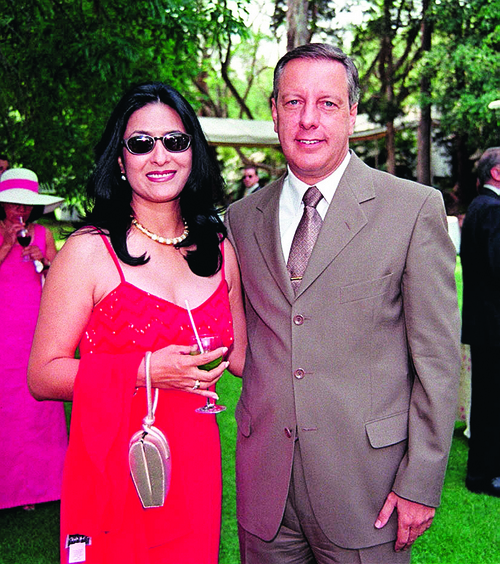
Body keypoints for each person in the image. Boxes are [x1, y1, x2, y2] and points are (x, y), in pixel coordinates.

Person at [225, 43, 461, 564]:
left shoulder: (412, 209)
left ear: (352, 113)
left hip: (367, 487)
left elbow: (438, 362)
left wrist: (421, 480)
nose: (308, 119)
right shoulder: (241, 219)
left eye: (327, 103)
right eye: (293, 102)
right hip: (266, 487)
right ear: (274, 111)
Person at [28, 82, 246, 563]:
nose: (160, 156)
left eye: (175, 140)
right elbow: (42, 375)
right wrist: (146, 370)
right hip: (115, 469)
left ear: (193, 151)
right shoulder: (88, 251)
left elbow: (246, 359)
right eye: (142, 143)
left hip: (195, 469)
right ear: (120, 159)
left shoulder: (219, 249)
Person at [0, 168, 66, 512]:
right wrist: (7, 245)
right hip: (3, 331)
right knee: (6, 404)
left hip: (34, 328)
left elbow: (60, 281)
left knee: (35, 404)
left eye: (25, 205)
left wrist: (45, 261)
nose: (20, 211)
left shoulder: (43, 234)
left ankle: (38, 487)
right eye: (14, 205)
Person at [460, 146, 500, 497]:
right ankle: (485, 476)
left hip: (485, 322)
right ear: (497, 173)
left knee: (488, 400)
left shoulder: (478, 206)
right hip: (493, 324)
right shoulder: (492, 209)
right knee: (491, 402)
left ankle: (485, 472)